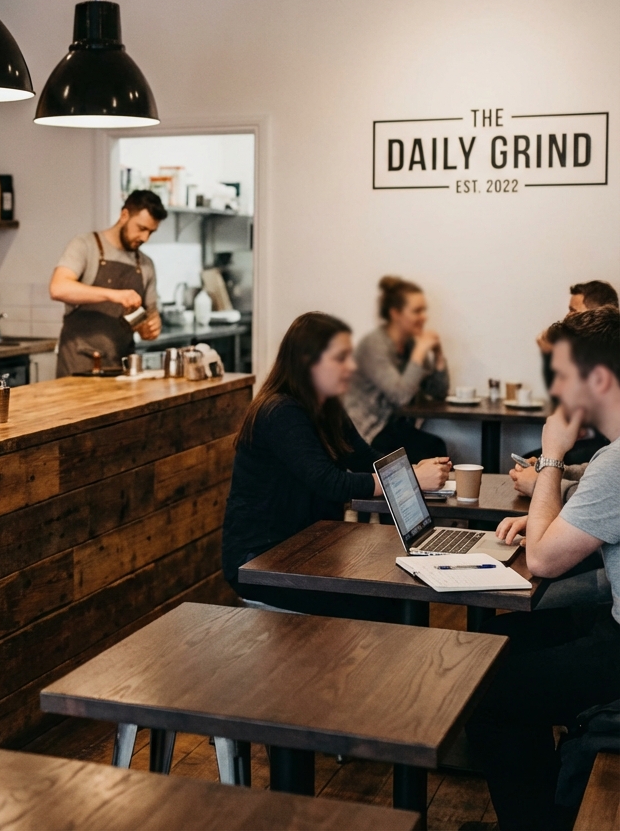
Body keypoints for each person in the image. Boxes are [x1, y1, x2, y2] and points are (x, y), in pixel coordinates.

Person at [467, 306, 620, 831]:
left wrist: (552, 453)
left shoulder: (618, 461)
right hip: (609, 622)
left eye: (560, 374)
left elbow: (543, 558)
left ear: (597, 378)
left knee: (487, 694)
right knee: (506, 647)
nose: (553, 389)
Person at [221, 312, 451, 620]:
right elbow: (329, 481)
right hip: (260, 560)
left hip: (307, 548)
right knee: (389, 604)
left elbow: (365, 457)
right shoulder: (281, 412)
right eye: (341, 358)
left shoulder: (326, 406)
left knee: (401, 592)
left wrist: (410, 470)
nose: (351, 366)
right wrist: (413, 479)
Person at [50, 190, 166, 377]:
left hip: (122, 368)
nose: (145, 238)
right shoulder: (85, 245)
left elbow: (149, 318)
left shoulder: (145, 264)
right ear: (124, 215)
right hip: (78, 365)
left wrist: (151, 327)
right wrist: (114, 294)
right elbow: (58, 288)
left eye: (151, 232)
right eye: (141, 228)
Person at [343, 276, 449, 463]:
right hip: (367, 433)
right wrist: (419, 353)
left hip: (393, 427)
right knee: (430, 450)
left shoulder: (410, 345)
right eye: (417, 311)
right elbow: (400, 396)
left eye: (424, 310)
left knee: (434, 446)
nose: (424, 317)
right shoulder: (374, 345)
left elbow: (438, 392)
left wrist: (439, 356)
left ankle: (432, 491)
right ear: (395, 313)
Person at [533, 280, 617, 464]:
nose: (567, 316)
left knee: (536, 462)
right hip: (591, 441)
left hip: (597, 444)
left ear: (596, 315)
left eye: (573, 310)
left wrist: (551, 461)